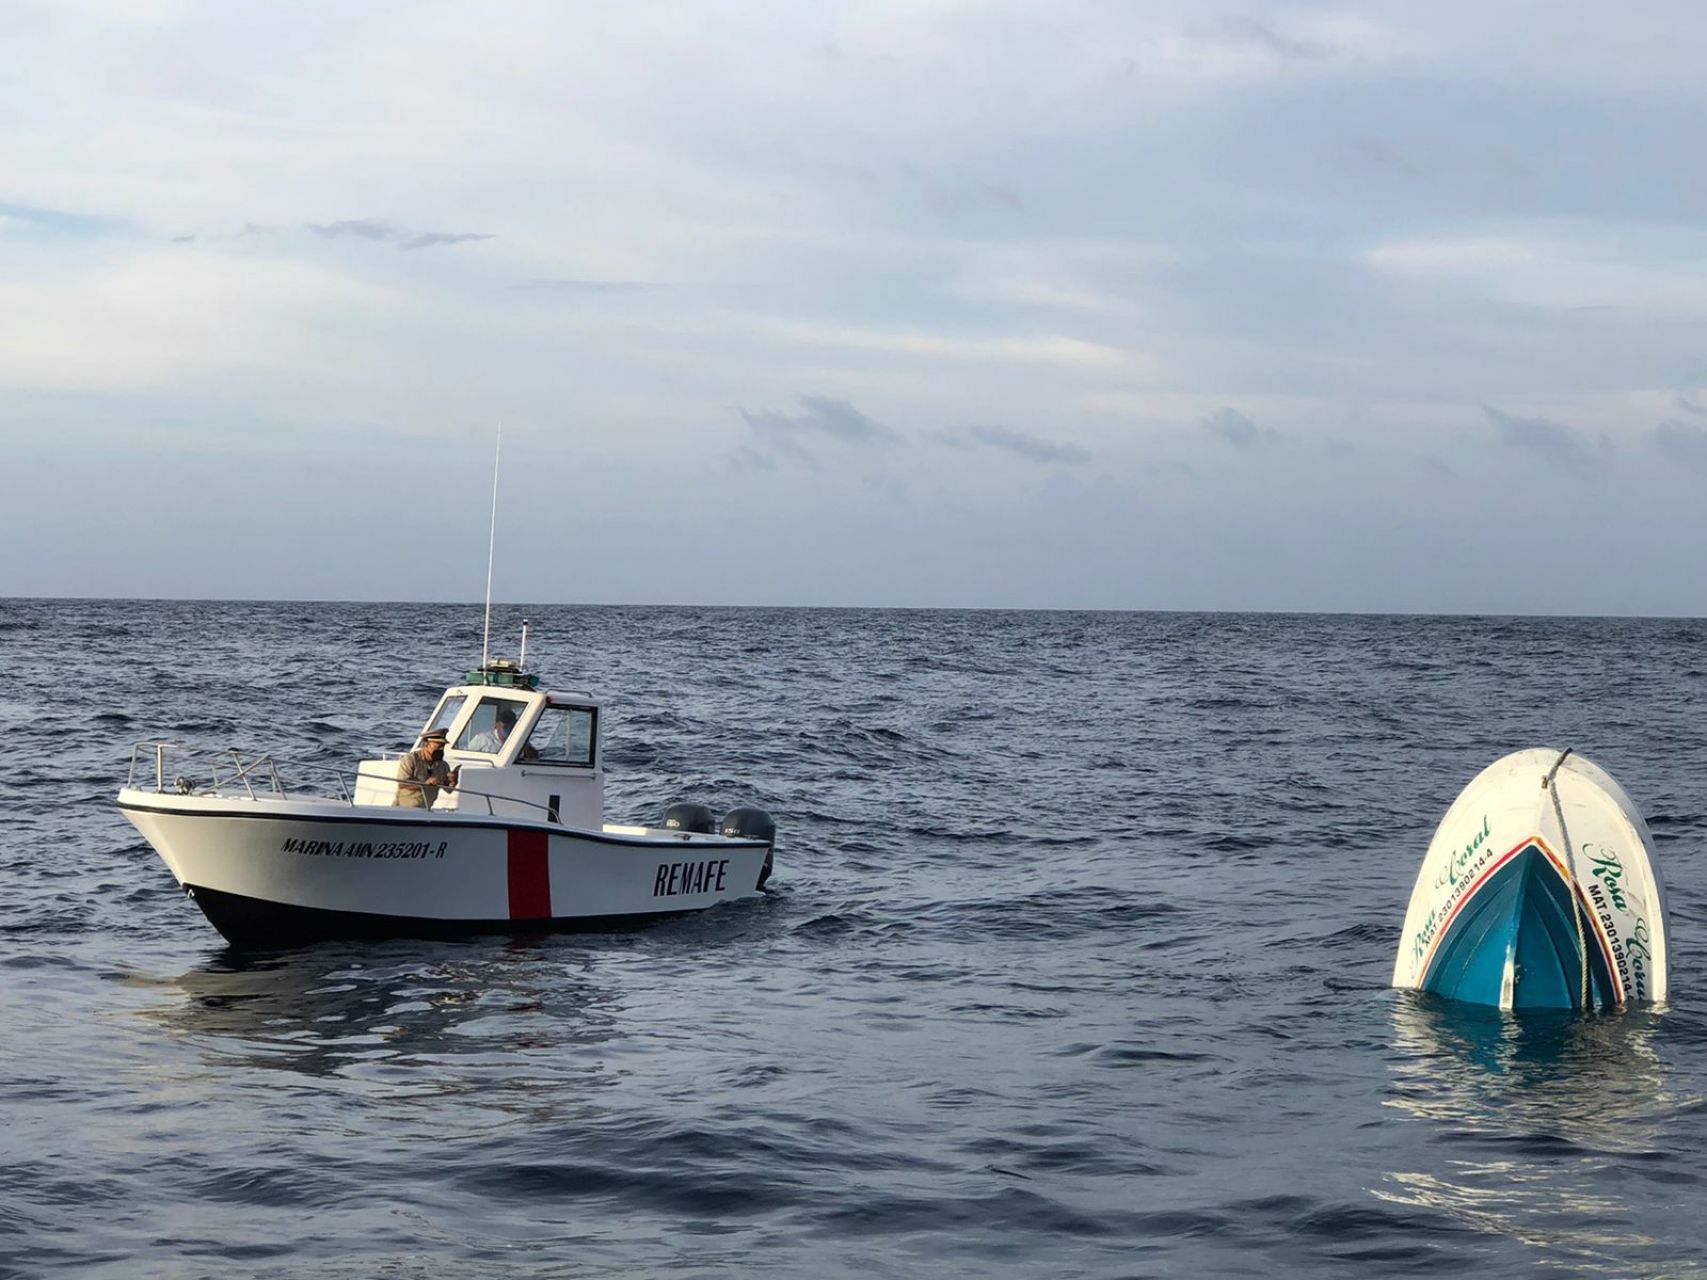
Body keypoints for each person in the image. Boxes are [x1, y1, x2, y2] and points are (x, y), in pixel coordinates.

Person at [395, 728, 458, 808]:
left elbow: (449, 790)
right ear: (426, 745)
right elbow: (402, 784)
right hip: (405, 808)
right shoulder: (410, 759)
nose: (441, 750)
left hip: (426, 809)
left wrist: (453, 781)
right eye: (437, 747)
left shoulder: (443, 765)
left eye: (443, 747)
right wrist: (424, 784)